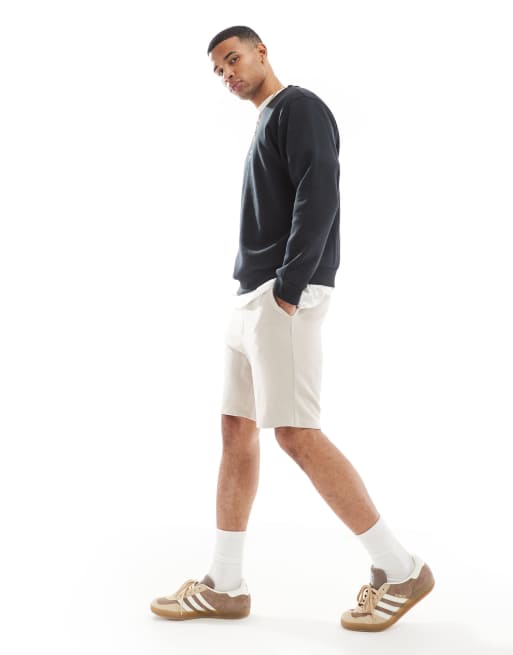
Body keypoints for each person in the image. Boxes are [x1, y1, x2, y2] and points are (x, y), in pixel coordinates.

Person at [150, 25, 435, 631]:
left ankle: (401, 568)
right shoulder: (267, 119)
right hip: (251, 297)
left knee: (297, 434)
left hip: (283, 297)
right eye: (218, 70)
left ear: (261, 51)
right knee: (235, 430)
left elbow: (319, 193)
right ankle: (225, 584)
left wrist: (288, 288)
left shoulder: (298, 107)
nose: (228, 74)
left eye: (233, 59)